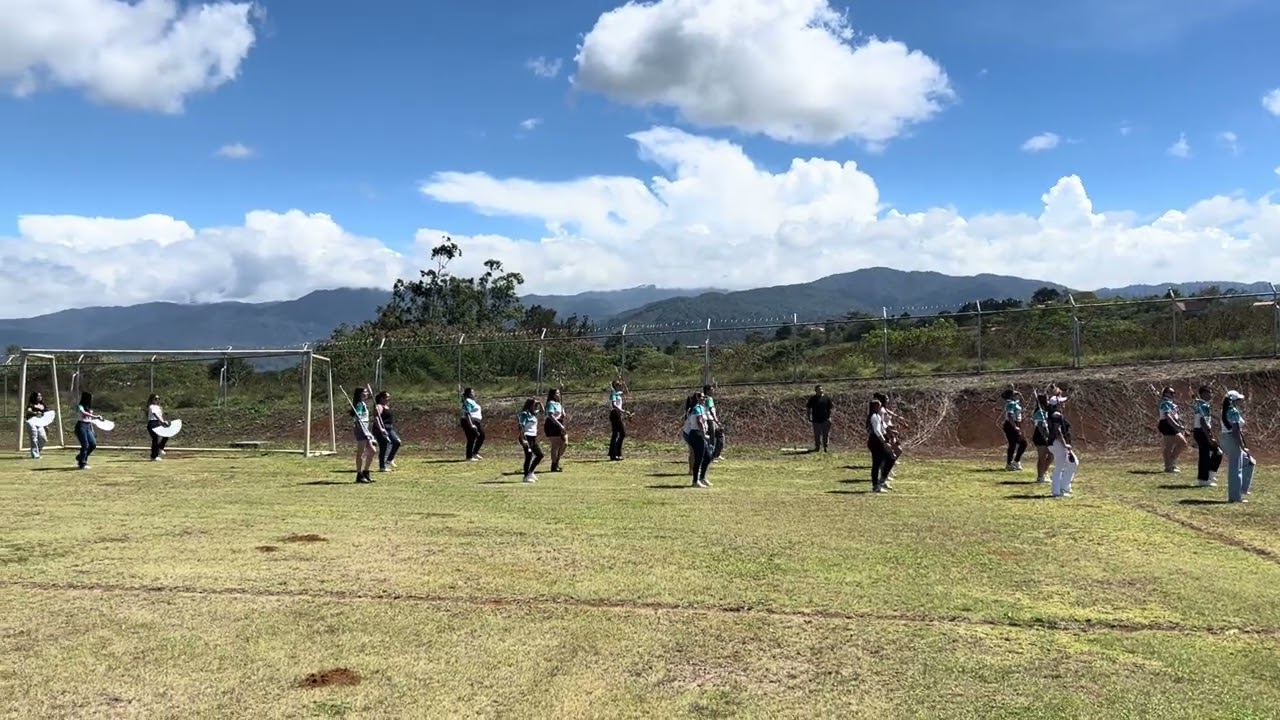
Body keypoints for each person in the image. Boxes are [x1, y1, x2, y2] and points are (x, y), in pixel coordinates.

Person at [1220, 390, 1255, 503]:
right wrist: (1242, 446)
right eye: (1238, 400)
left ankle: (1242, 489)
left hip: (1226, 439)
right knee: (1236, 469)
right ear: (1234, 401)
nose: (1240, 402)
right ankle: (1235, 497)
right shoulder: (1233, 411)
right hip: (1232, 439)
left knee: (1249, 461)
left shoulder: (1226, 410)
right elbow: (1235, 431)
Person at [1191, 385, 1222, 488]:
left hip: (1201, 431)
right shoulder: (1203, 405)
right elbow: (1203, 421)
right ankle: (1205, 479)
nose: (1211, 395)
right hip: (1201, 431)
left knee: (1213, 452)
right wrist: (1209, 437)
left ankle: (1208, 476)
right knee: (1208, 454)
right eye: (1209, 392)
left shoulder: (1201, 404)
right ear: (1204, 393)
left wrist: (1210, 435)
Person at [1047, 399, 1078, 498]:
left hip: (1056, 443)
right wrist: (1064, 444)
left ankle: (1064, 486)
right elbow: (1057, 431)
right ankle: (1057, 491)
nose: (1064, 403)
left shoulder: (1055, 414)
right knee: (1059, 467)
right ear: (1057, 405)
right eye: (1062, 402)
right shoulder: (1056, 415)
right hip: (1058, 443)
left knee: (1073, 463)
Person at [683, 390, 712, 488]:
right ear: (697, 398)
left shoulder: (702, 408)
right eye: (702, 397)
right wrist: (704, 434)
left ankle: (702, 478)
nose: (704, 399)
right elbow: (699, 422)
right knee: (699, 458)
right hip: (696, 434)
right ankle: (695, 481)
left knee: (708, 456)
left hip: (700, 435)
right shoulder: (696, 408)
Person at [1157, 386, 1188, 474]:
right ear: (1166, 393)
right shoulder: (1165, 403)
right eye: (1171, 393)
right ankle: (1168, 466)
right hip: (1166, 424)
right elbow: (1168, 416)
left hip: (1172, 424)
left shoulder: (1171, 403)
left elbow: (1174, 416)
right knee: (1169, 446)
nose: (1173, 394)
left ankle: (1171, 461)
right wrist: (1176, 425)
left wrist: (1180, 424)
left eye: (1173, 393)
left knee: (1183, 443)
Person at [867, 399, 894, 493]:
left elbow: (883, 428)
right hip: (876, 441)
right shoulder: (874, 416)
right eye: (878, 405)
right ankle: (877, 485)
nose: (880, 407)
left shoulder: (878, 416)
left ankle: (881, 481)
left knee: (890, 458)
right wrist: (884, 442)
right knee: (878, 463)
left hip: (878, 440)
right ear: (874, 407)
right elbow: (877, 431)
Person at [350, 387, 376, 483]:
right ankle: (359, 475)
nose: (367, 393)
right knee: (361, 452)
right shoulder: (359, 404)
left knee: (372, 450)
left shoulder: (363, 403)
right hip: (360, 429)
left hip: (365, 429)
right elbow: (358, 417)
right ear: (360, 394)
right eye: (365, 392)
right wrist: (365, 432)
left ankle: (366, 472)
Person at [74, 391, 103, 470]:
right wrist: (95, 416)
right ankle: (82, 463)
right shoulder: (80, 406)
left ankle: (80, 457)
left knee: (93, 444)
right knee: (85, 445)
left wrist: (92, 430)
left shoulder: (89, 408)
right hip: (81, 426)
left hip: (88, 426)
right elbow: (83, 413)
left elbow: (89, 420)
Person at [374, 391, 401, 472]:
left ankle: (389, 460)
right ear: (382, 398)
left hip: (389, 429)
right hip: (381, 429)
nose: (389, 399)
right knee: (384, 446)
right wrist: (380, 429)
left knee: (397, 442)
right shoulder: (379, 406)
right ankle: (382, 467)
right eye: (387, 397)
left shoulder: (386, 406)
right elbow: (376, 418)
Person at [517, 398, 544, 483]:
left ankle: (531, 471)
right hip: (526, 436)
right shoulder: (525, 414)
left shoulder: (533, 414)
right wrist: (523, 439)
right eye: (534, 404)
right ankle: (526, 476)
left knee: (540, 455)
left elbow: (542, 412)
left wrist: (540, 403)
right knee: (529, 456)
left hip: (533, 437)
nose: (535, 406)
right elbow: (521, 427)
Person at [1001, 388, 1028, 471]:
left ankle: (1015, 461)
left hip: (1016, 423)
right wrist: (1015, 426)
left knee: (1017, 444)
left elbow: (1023, 402)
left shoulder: (1014, 402)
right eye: (1014, 394)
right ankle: (1010, 463)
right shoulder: (1010, 403)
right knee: (1021, 443)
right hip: (1011, 424)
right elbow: (1009, 415)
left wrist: (1020, 394)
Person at [1031, 391, 1053, 484]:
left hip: (1046, 434)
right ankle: (1040, 476)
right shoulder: (1039, 412)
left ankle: (1044, 472)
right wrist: (1045, 437)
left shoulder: (1045, 411)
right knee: (1042, 457)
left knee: (1051, 455)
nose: (1048, 401)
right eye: (1046, 399)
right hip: (1040, 436)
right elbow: (1040, 426)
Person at [544, 388, 568, 472]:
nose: (559, 394)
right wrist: (559, 425)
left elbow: (562, 414)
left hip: (560, 423)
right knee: (555, 445)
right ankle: (554, 465)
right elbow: (551, 415)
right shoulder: (550, 403)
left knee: (565, 443)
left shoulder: (559, 404)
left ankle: (557, 460)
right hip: (552, 424)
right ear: (553, 395)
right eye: (557, 393)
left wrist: (563, 414)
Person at [144, 393, 172, 462]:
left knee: (166, 435)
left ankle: (160, 448)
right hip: (152, 423)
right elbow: (155, 415)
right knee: (155, 439)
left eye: (158, 399)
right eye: (156, 399)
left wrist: (163, 422)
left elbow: (160, 416)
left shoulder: (159, 407)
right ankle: (154, 456)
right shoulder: (152, 406)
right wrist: (162, 422)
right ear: (152, 400)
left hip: (158, 423)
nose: (157, 400)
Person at [460, 388, 486, 461]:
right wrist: (471, 424)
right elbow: (467, 413)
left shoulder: (472, 401)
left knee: (481, 435)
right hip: (469, 421)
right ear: (468, 394)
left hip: (475, 421)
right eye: (472, 392)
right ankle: (469, 457)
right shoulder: (468, 401)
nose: (474, 393)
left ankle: (474, 453)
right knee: (471, 438)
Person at [806, 385, 833, 452]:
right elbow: (808, 408)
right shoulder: (813, 399)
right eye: (818, 389)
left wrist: (829, 418)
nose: (820, 390)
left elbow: (830, 408)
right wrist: (809, 417)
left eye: (821, 389)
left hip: (825, 419)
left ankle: (825, 447)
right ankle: (817, 447)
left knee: (825, 434)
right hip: (816, 420)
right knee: (817, 434)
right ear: (816, 391)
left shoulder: (826, 398)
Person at [607, 378, 628, 461]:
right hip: (615, 413)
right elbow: (614, 405)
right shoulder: (613, 393)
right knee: (621, 433)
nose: (620, 386)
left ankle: (614, 453)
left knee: (616, 434)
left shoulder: (618, 393)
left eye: (620, 385)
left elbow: (626, 392)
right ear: (614, 386)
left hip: (618, 413)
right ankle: (615, 453)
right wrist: (624, 411)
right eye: (618, 385)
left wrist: (624, 383)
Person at [703, 384, 725, 461]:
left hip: (706, 420)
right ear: (707, 390)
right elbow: (711, 410)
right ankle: (712, 456)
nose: (713, 390)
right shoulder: (709, 399)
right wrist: (716, 420)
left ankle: (715, 454)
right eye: (712, 389)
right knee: (714, 438)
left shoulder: (703, 398)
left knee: (716, 437)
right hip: (710, 420)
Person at [24, 391, 48, 459]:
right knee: (34, 438)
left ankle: (37, 450)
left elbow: (45, 416)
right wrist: (35, 413)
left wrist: (46, 425)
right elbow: (28, 410)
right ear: (35, 397)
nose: (40, 397)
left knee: (43, 438)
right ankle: (35, 455)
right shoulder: (31, 404)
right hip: (31, 422)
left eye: (40, 395)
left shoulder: (43, 405)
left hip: (40, 423)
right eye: (38, 396)